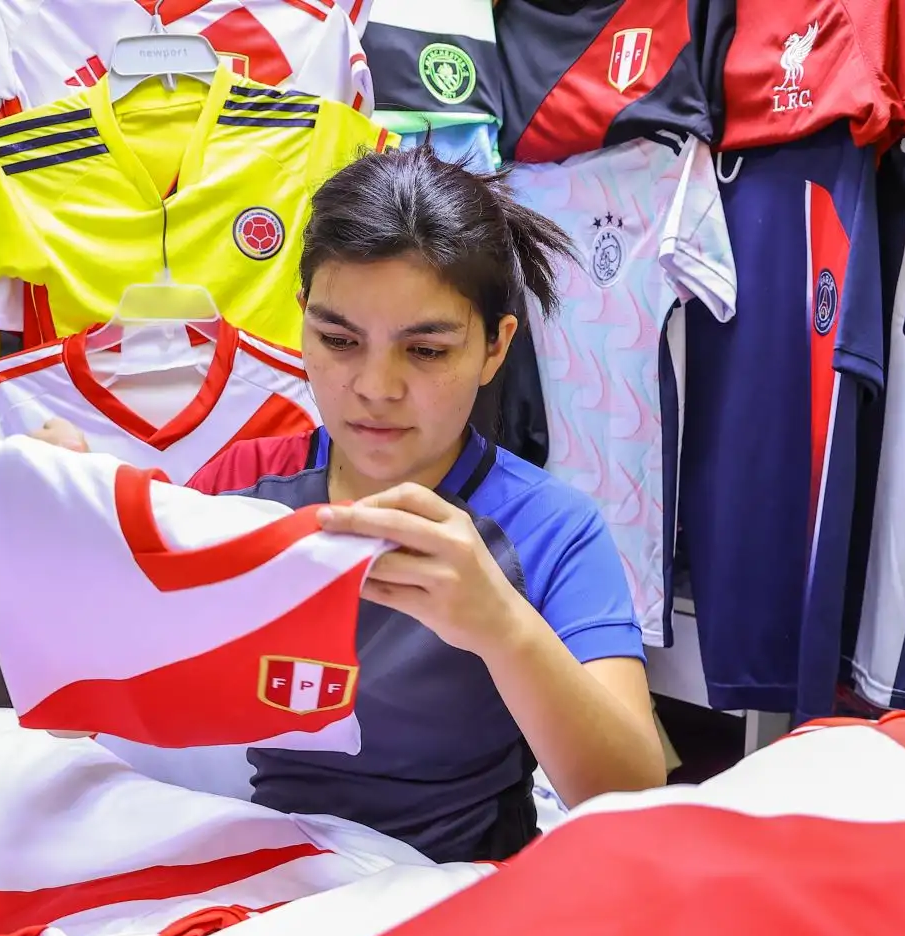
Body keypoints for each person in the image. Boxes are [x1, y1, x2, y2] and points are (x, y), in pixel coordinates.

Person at [33, 144, 667, 862]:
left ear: (495, 348)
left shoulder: (549, 530)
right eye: (338, 340)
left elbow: (635, 799)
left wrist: (503, 630)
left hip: (462, 891)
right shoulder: (243, 487)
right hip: (282, 887)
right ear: (301, 319)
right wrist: (71, 540)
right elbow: (75, 716)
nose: (375, 387)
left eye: (425, 351)